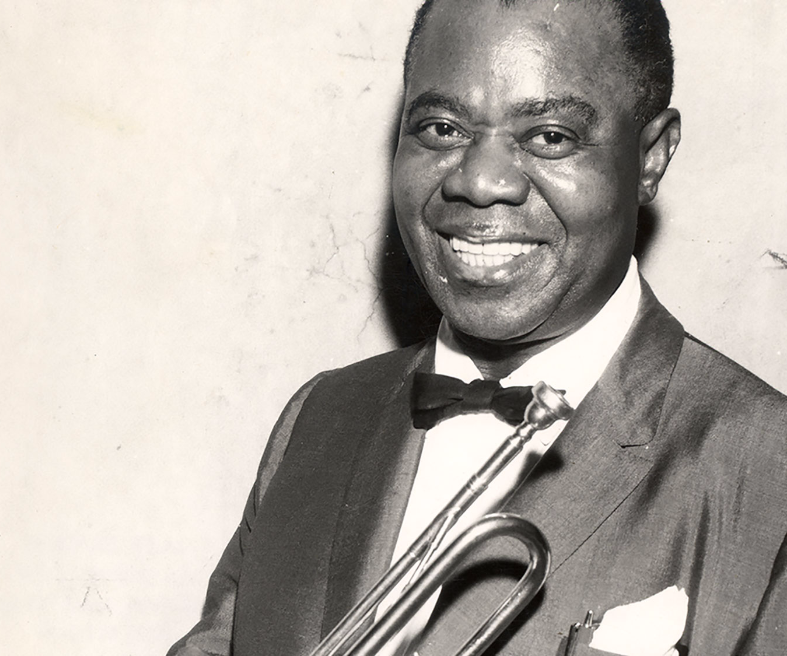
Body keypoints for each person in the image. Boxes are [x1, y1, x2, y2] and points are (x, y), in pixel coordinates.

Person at [168, 0, 787, 654]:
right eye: (441, 128)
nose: (480, 182)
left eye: (550, 136)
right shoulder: (320, 417)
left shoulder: (767, 472)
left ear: (651, 158)